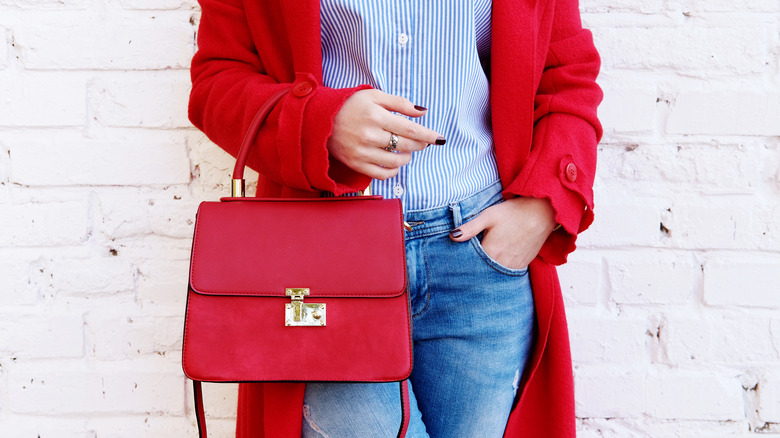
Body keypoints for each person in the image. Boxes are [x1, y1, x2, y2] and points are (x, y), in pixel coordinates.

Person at [188, 0, 602, 436]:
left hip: (480, 258)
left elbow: (566, 73)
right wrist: (320, 122)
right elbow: (219, 79)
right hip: (325, 266)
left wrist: (542, 207)